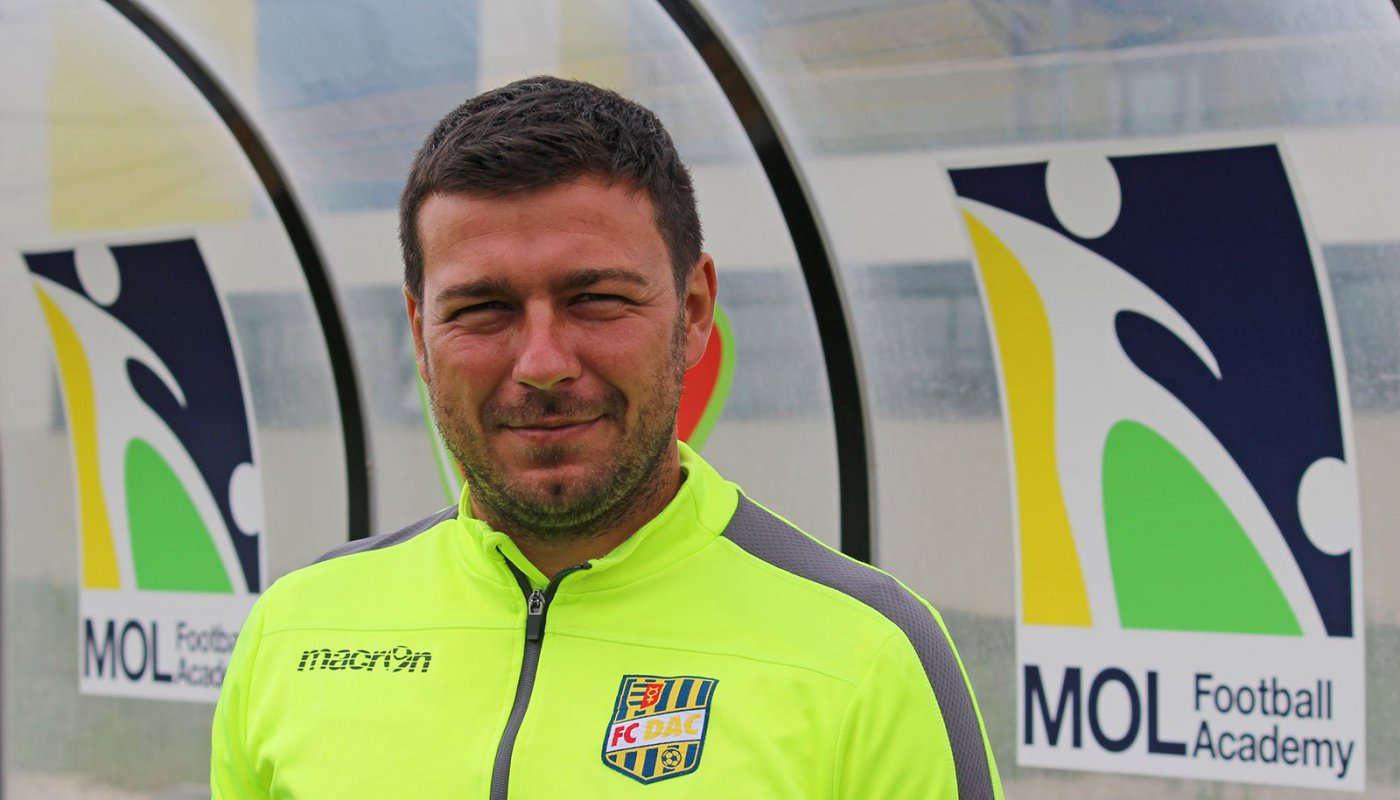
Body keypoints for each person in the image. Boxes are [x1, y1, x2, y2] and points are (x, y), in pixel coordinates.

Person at [211, 75, 1003, 799]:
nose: (543, 364)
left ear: (694, 312)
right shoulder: (296, 630)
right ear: (421, 334)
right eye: (483, 308)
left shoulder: (867, 652)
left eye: (595, 299)